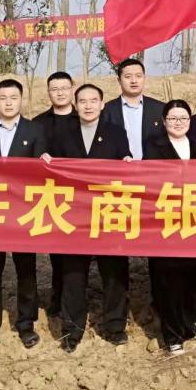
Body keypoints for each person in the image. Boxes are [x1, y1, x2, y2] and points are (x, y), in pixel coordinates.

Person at [52, 83, 133, 352]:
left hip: (109, 211)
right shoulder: (63, 134)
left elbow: (125, 162)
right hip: (75, 215)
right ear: (75, 105)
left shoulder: (116, 133)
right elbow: (52, 170)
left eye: (93, 100)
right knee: (73, 274)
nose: (88, 106)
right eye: (83, 101)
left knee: (115, 272)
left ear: (102, 104)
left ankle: (115, 326)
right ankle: (71, 331)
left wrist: (128, 161)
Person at [0, 78, 47, 350]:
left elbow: (40, 173)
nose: (9, 102)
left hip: (23, 212)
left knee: (26, 270)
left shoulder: (35, 130)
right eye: (3, 98)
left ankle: (26, 325)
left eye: (13, 97)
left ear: (21, 100)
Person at [144, 99, 196, 356]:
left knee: (194, 277)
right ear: (164, 122)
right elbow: (152, 179)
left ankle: (189, 325)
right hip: (166, 223)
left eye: (183, 118)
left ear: (190, 121)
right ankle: (172, 336)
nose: (178, 123)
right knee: (168, 281)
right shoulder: (154, 146)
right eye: (172, 119)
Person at [33, 70, 77, 317]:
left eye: (64, 88)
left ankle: (78, 299)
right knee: (57, 252)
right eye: (54, 89)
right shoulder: (38, 124)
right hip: (52, 195)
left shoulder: (85, 118)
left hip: (83, 195)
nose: (60, 93)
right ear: (48, 92)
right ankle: (57, 297)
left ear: (72, 89)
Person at [103, 57, 165, 161]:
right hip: (118, 167)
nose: (134, 81)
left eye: (138, 76)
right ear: (119, 80)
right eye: (128, 77)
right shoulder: (107, 110)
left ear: (144, 78)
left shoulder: (160, 109)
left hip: (152, 167)